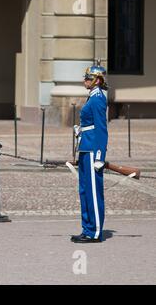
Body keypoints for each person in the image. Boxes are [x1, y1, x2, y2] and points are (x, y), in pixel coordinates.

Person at [72, 61, 108, 243]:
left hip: (94, 150)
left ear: (98, 81)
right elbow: (91, 124)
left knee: (93, 193)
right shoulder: (92, 97)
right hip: (86, 147)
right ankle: (87, 228)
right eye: (86, 77)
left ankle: (94, 232)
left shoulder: (98, 99)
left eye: (89, 78)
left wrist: (101, 156)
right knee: (84, 191)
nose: (85, 80)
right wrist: (81, 130)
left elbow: (102, 129)